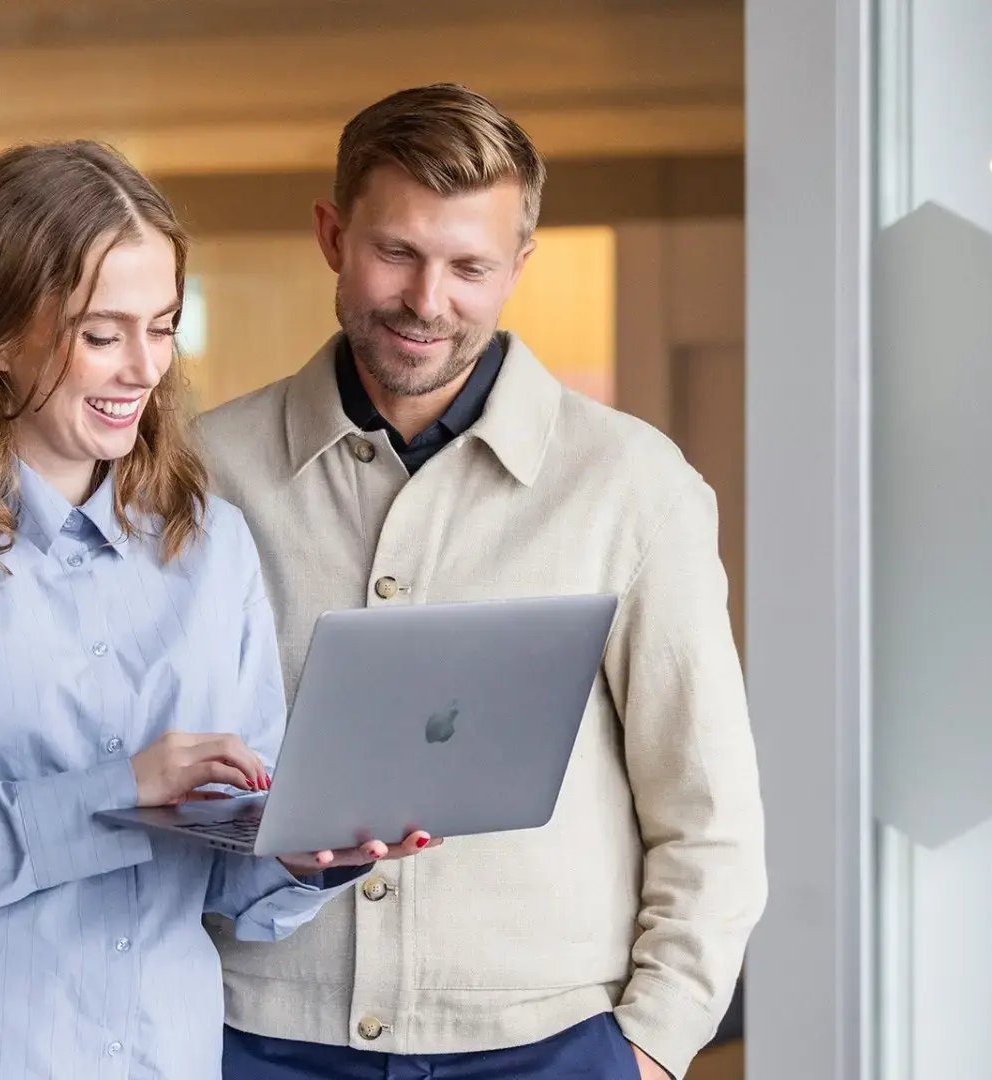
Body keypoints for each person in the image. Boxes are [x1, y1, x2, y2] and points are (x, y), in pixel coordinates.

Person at [0, 141, 439, 1080]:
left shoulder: (211, 548)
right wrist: (112, 792)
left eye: (162, 326)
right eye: (101, 334)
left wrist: (305, 852)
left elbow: (221, 871)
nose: (144, 368)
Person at [197, 85, 768, 1080]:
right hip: (251, 1037)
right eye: (397, 252)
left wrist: (653, 1046)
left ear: (518, 266)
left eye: (470, 267)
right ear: (332, 236)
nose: (428, 302)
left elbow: (706, 804)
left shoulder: (634, 486)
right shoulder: (204, 473)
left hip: (550, 1048)